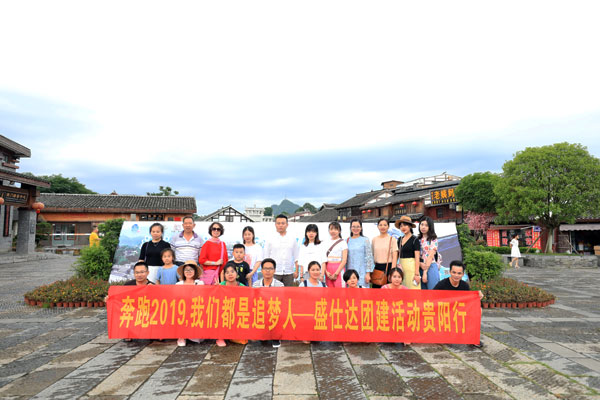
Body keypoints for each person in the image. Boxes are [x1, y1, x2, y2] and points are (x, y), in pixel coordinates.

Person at [433, 260, 484, 348]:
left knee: (478, 310)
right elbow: (431, 299)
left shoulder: (464, 286)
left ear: (463, 274)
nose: (456, 275)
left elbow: (469, 302)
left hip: (458, 312)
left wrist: (477, 295)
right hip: (444, 313)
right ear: (450, 272)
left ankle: (472, 337)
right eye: (454, 272)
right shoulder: (441, 285)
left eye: (459, 273)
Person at [252, 258, 283, 348]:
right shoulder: (256, 284)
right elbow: (254, 300)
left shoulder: (280, 285)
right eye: (265, 268)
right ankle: (263, 333)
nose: (268, 271)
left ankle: (276, 337)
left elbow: (281, 302)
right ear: (261, 270)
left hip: (274, 311)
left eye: (270, 269)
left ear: (274, 270)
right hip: (261, 310)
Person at [263, 214, 299, 287]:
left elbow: (296, 256)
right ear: (275, 225)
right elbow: (266, 257)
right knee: (274, 293)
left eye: (283, 223)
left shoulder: (292, 239)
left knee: (288, 293)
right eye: (278, 223)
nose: (280, 225)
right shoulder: (270, 239)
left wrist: (296, 271)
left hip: (289, 272)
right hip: (274, 272)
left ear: (287, 225)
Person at [217, 264, 247, 347]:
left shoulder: (242, 287)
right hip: (223, 311)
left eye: (232, 272)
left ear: (237, 274)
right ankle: (220, 337)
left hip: (236, 311)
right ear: (224, 275)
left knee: (242, 340)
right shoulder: (220, 285)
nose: (230, 274)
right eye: (227, 273)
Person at [175, 260, 204, 347]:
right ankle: (181, 336)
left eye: (191, 269)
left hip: (195, 308)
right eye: (186, 270)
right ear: (183, 272)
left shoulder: (200, 283)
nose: (188, 272)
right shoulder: (178, 284)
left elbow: (202, 297)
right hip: (182, 309)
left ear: (195, 271)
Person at [370, 218, 398, 288]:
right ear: (377, 226)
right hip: (377, 267)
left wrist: (392, 272)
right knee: (376, 290)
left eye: (385, 225)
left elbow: (395, 256)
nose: (383, 227)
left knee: (388, 290)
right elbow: (372, 255)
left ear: (388, 226)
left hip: (388, 267)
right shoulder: (374, 239)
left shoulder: (392, 239)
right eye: (380, 225)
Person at [346, 219, 374, 288]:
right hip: (350, 272)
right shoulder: (347, 240)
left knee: (362, 291)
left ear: (361, 228)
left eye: (358, 226)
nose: (355, 228)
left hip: (362, 272)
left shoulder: (365, 240)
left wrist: (368, 273)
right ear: (350, 228)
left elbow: (369, 258)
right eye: (353, 226)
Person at [395, 216, 421, 289]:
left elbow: (417, 257)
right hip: (401, 268)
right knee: (403, 290)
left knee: (413, 289)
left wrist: (416, 274)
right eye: (401, 226)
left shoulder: (415, 239)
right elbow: (396, 255)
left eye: (405, 225)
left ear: (410, 226)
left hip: (412, 268)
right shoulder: (399, 239)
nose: (403, 227)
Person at [419, 216, 441, 290]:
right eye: (422, 224)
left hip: (430, 266)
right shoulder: (418, 239)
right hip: (420, 267)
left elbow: (430, 256)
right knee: (423, 293)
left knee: (433, 291)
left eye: (426, 225)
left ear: (430, 227)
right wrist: (420, 264)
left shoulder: (433, 239)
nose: (423, 227)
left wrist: (425, 272)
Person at [324, 222, 348, 288]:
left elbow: (344, 260)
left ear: (339, 231)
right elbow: (323, 259)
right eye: (331, 229)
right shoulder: (326, 242)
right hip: (328, 269)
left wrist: (336, 273)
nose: (333, 231)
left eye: (335, 229)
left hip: (339, 268)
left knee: (340, 290)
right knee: (329, 291)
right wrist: (326, 272)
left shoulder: (343, 242)